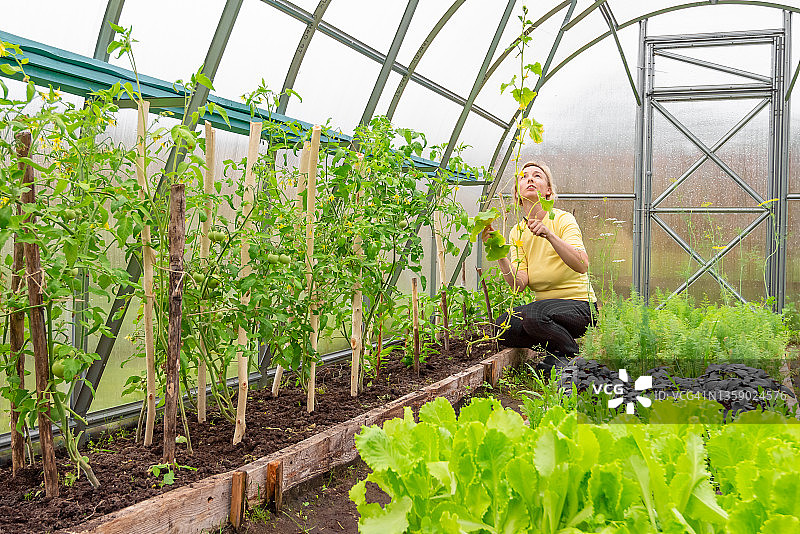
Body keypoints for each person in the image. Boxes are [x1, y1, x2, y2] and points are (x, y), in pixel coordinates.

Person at [483, 160, 597, 375]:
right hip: (545, 311)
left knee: (534, 314)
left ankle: (571, 355)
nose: (530, 179)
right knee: (502, 326)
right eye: (524, 176)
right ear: (517, 194)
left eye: (537, 176)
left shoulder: (563, 219)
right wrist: (498, 252)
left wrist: (549, 234)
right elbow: (519, 284)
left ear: (548, 191)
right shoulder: (517, 231)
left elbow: (582, 265)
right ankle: (558, 352)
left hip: (580, 308)